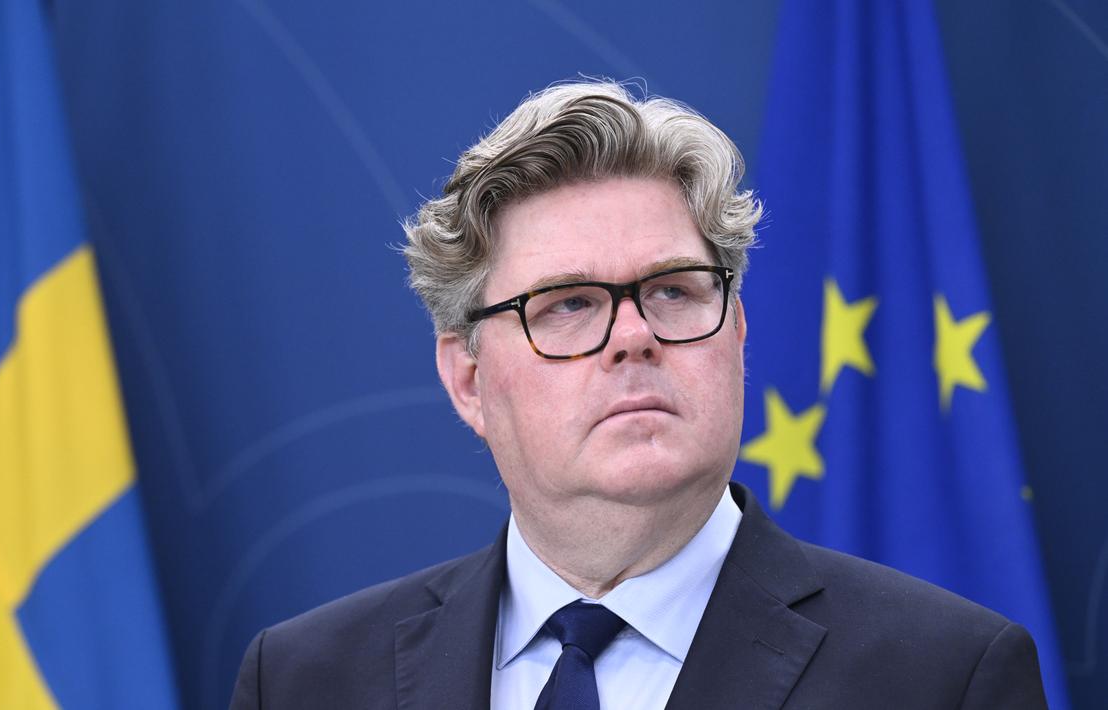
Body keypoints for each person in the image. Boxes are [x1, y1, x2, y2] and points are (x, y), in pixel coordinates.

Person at [229, 79, 1047, 709]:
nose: (634, 334)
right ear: (468, 379)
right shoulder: (304, 681)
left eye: (673, 290)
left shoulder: (944, 677)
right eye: (568, 304)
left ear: (736, 332)